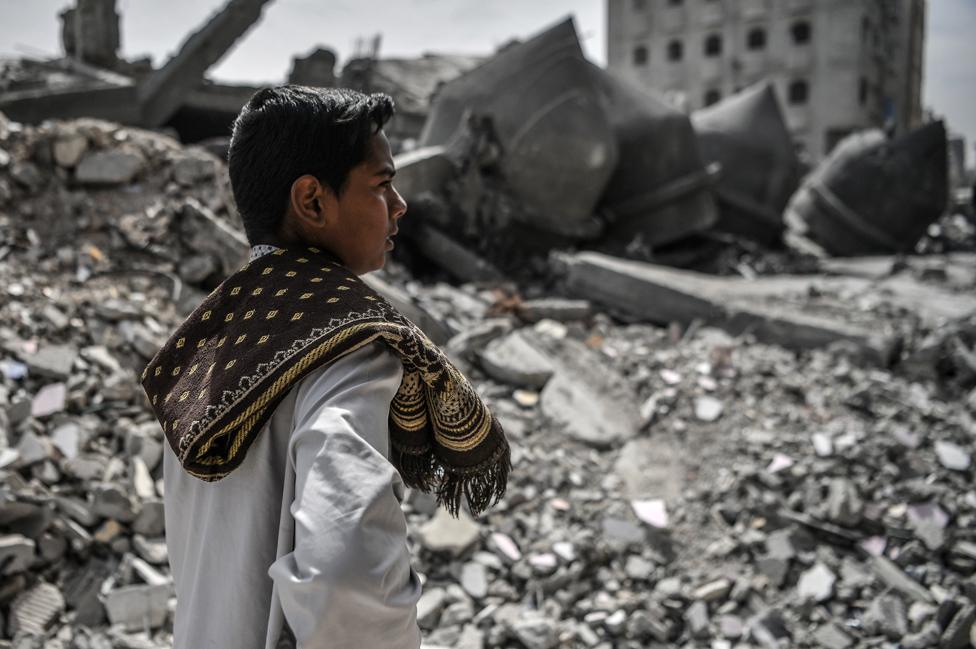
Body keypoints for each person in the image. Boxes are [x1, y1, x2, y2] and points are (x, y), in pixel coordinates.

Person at [140, 86, 511, 649]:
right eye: (383, 184)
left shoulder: (204, 353)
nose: (401, 205)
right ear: (312, 201)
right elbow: (346, 570)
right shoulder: (349, 349)